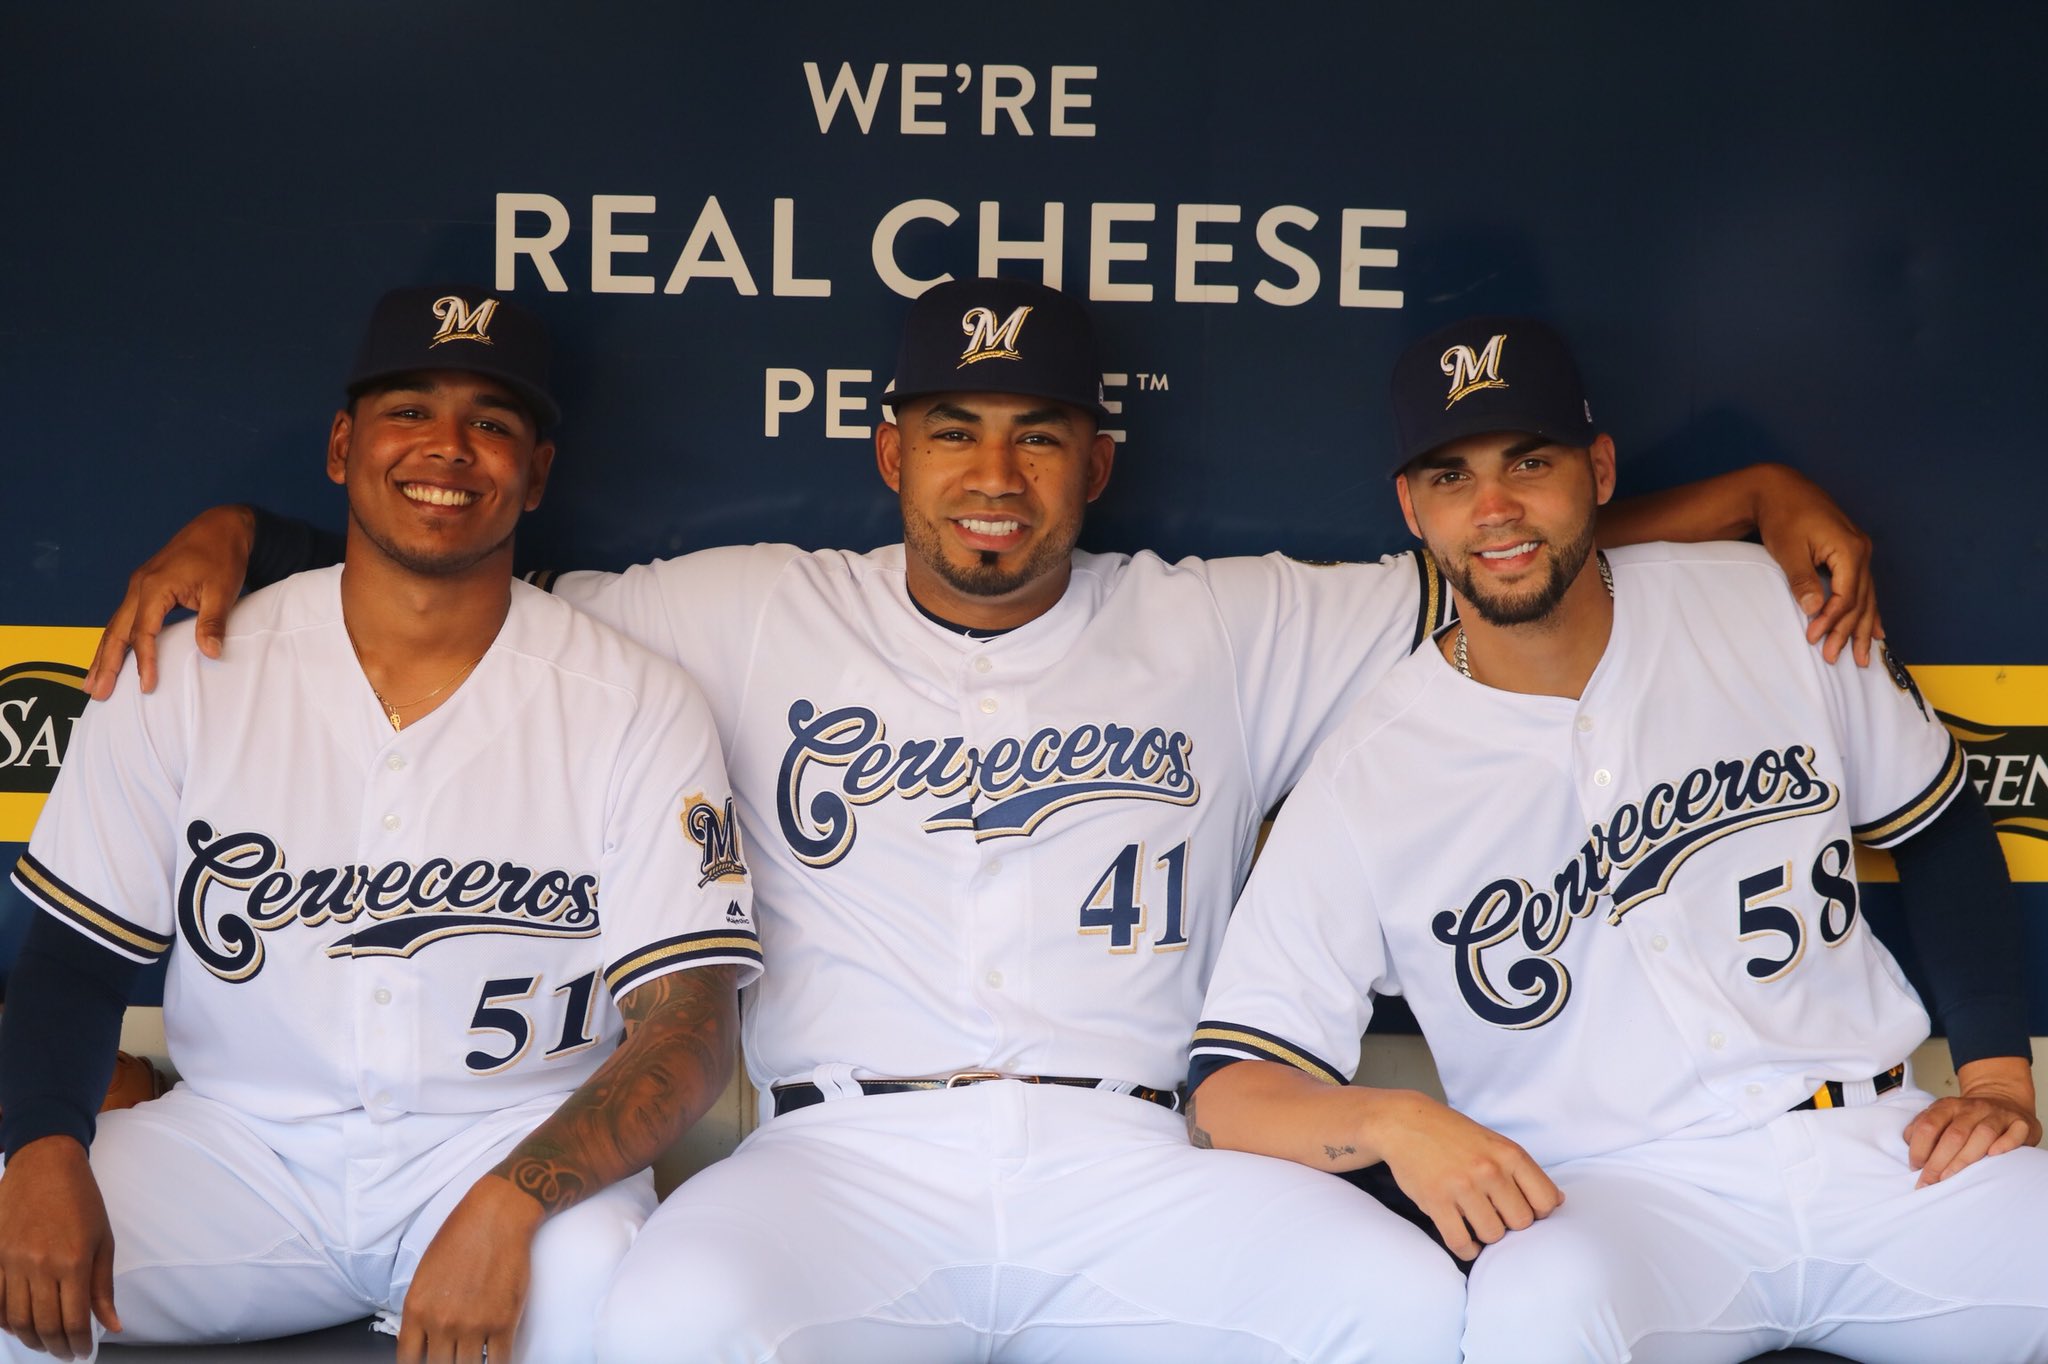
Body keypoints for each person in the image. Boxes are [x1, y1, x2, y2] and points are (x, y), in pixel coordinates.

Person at [84, 279, 1880, 1362]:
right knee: (665, 1322)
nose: (995, 476)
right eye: (954, 430)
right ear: (890, 451)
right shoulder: (736, 606)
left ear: (1097, 460)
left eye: (1038, 436)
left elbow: (1501, 554)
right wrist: (246, 539)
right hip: (836, 1158)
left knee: (1413, 1320)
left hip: (1141, 1165)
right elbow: (450, 563)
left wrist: (1748, 493)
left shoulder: (1224, 617)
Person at [1188, 314, 2048, 1362]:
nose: (1494, 508)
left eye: (1528, 461)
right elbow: (1231, 1084)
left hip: (1883, 1151)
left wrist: (1996, 1075)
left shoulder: (1761, 606)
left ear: (1596, 469)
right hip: (1612, 1196)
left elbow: (1940, 818)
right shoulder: (1368, 766)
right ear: (1411, 508)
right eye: (1450, 477)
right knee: (1532, 1319)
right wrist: (1388, 1122)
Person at [0, 287, 761, 1364]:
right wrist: (37, 1148)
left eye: (491, 423)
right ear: (343, 445)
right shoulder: (185, 667)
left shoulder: (629, 697)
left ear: (534, 472)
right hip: (236, 1151)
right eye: (409, 411)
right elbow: (75, 964)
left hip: (515, 1149)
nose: (447, 449)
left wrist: (508, 1203)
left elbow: (688, 1028)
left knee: (652, 1323)